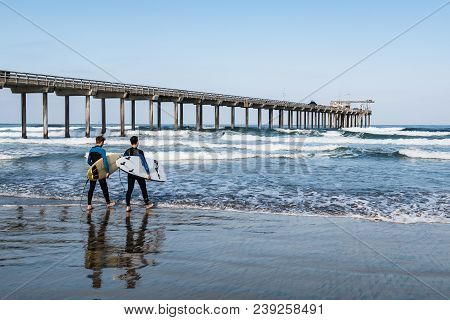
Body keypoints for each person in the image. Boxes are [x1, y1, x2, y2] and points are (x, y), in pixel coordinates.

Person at [124, 136, 153, 212]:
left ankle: (128, 206)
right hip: (139, 173)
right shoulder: (140, 152)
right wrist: (148, 173)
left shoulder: (127, 152)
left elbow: (124, 163)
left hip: (131, 173)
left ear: (131, 142)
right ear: (137, 142)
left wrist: (127, 171)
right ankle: (147, 204)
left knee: (130, 189)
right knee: (143, 188)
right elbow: (144, 163)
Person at [87, 136, 115, 210]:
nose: (103, 143)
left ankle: (89, 205)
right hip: (101, 171)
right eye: (103, 142)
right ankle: (108, 203)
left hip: (93, 171)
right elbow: (105, 162)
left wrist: (94, 167)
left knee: (91, 188)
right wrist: (107, 171)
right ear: (101, 142)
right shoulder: (102, 150)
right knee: (104, 187)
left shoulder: (91, 150)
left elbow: (89, 162)